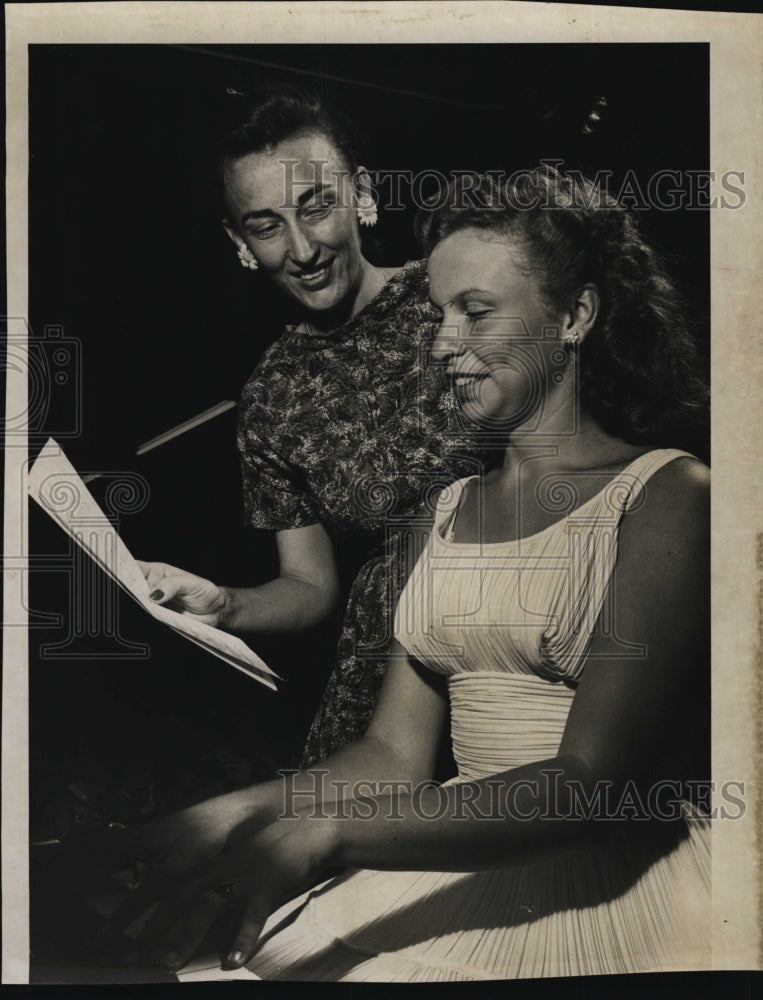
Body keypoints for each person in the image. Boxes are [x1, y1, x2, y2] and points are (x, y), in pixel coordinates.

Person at [103, 165, 710, 981]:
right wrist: (230, 816)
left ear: (574, 315)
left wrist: (327, 832)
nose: (440, 343)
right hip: (452, 855)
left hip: (611, 891)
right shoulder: (443, 511)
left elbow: (586, 785)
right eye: (437, 312)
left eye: (475, 311)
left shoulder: (669, 496)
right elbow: (391, 755)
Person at [139, 84, 475, 765]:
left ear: (363, 197)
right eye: (265, 225)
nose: (302, 248)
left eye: (315, 205)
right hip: (394, 681)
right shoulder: (269, 397)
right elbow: (311, 587)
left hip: (527, 625)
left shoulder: (457, 295)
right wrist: (223, 604)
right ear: (240, 243)